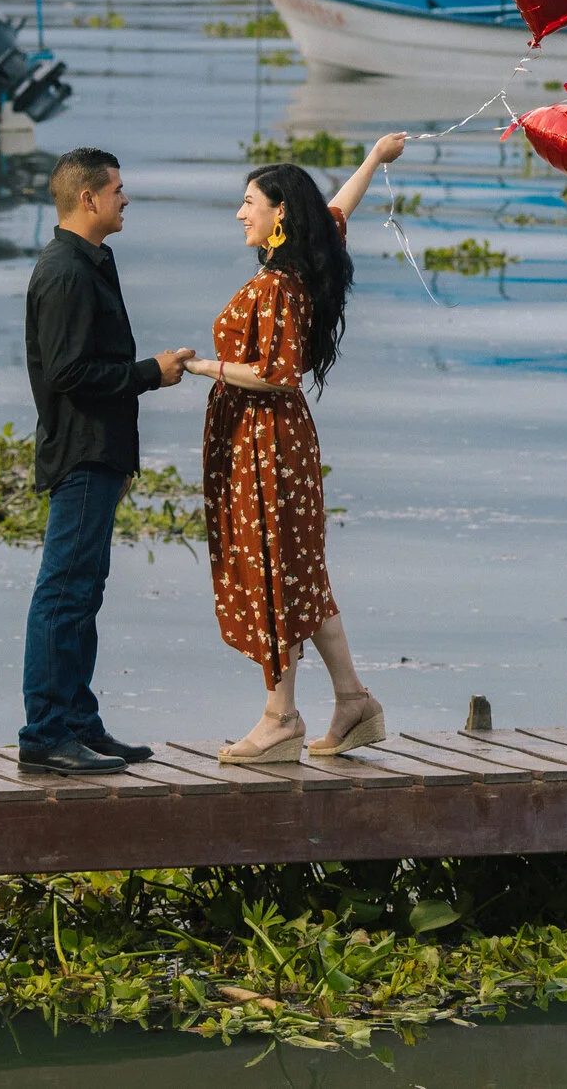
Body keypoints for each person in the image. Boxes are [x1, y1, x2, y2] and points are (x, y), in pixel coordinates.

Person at [186, 133, 406, 763]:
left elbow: (279, 376)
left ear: (279, 212)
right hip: (282, 442)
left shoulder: (281, 285)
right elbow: (337, 210)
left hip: (268, 442)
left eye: (248, 201)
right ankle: (354, 701)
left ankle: (279, 717)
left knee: (274, 574)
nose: (240, 212)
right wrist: (372, 158)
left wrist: (207, 367)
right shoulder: (309, 254)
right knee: (300, 571)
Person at [20, 148, 195, 776]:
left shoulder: (92, 261)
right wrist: (152, 373)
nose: (126, 198)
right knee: (63, 592)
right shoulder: (66, 270)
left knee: (84, 591)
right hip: (80, 450)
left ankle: (77, 720)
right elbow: (69, 373)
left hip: (102, 452)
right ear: (88, 199)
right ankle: (44, 731)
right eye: (118, 190)